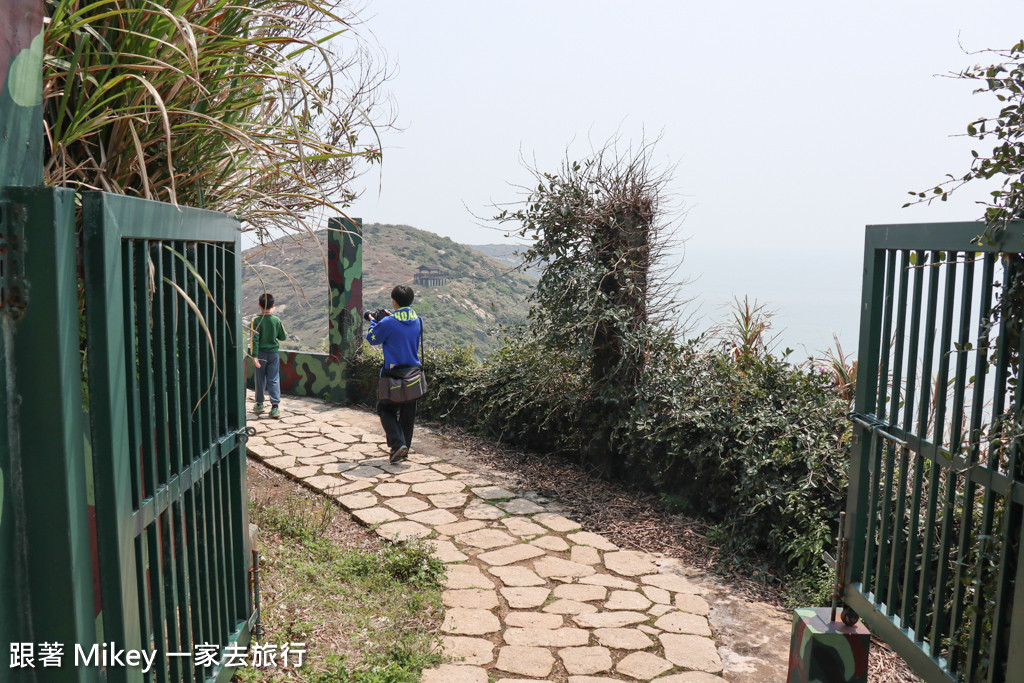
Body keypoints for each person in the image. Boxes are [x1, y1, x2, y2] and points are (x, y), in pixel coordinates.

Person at [366, 285, 423, 463]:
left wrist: (373, 320)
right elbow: (403, 329)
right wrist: (388, 317)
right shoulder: (418, 321)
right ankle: (403, 451)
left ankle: (398, 444)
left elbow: (372, 339)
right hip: (413, 374)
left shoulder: (388, 323)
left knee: (385, 409)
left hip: (393, 374)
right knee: (408, 414)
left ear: (394, 301)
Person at [251, 292, 288, 418]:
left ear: (259, 305)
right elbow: (283, 337)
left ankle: (260, 404)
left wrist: (254, 356)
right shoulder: (276, 320)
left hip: (260, 354)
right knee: (273, 379)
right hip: (273, 354)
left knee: (260, 379)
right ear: (273, 306)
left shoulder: (256, 321)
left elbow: (254, 340)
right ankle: (275, 407)